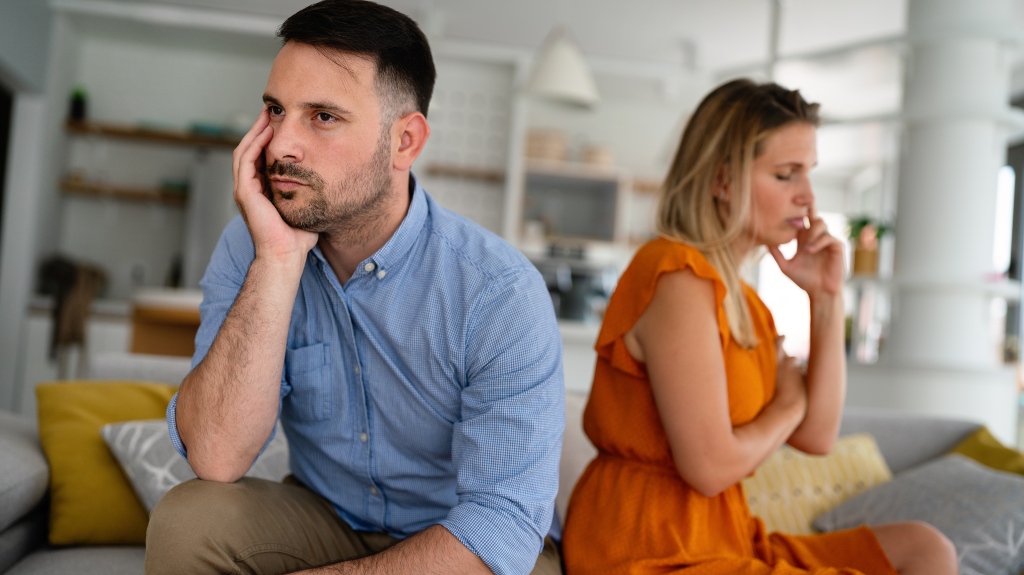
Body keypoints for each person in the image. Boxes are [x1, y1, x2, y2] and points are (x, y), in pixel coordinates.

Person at [143, 2, 564, 574]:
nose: (280, 146)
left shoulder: (499, 291)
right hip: (326, 517)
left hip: (458, 535)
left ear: (405, 141)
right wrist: (277, 260)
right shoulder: (250, 247)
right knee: (189, 521)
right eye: (275, 110)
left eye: (322, 117)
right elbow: (215, 456)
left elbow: (504, 522)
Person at [561, 79, 959, 575]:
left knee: (925, 548)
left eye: (809, 174)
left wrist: (825, 297)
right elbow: (710, 469)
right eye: (786, 175)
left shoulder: (748, 304)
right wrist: (787, 405)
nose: (807, 197)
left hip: (725, 537)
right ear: (722, 181)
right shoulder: (676, 276)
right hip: (651, 546)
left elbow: (818, 436)